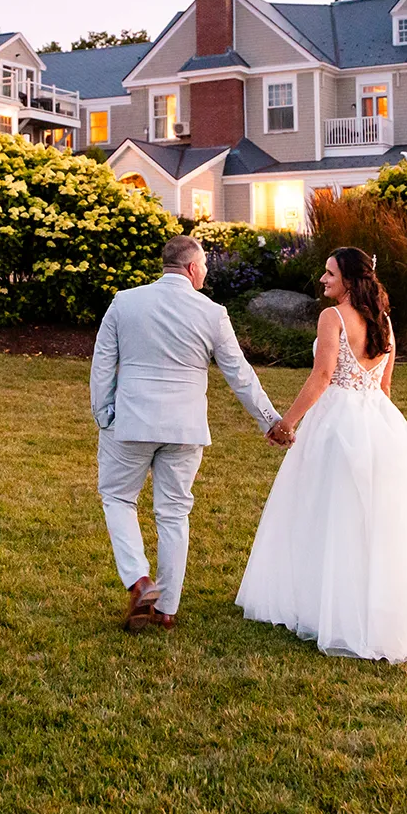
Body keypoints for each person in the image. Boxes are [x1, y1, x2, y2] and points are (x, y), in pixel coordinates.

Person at [237, 247, 407, 662]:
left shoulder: (332, 318)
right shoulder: (384, 322)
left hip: (336, 422)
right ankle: (367, 603)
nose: (322, 279)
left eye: (330, 274)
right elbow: (385, 386)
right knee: (369, 517)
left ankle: (326, 604)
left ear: (350, 281)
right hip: (378, 423)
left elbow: (321, 377)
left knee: (325, 509)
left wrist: (287, 423)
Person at [90, 234, 291, 633]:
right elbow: (239, 374)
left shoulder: (124, 302)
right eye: (205, 268)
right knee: (174, 512)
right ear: (192, 267)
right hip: (185, 429)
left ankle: (139, 580)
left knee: (117, 498)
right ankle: (166, 609)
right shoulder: (212, 313)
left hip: (129, 423)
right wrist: (270, 420)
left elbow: (102, 363)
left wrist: (104, 415)